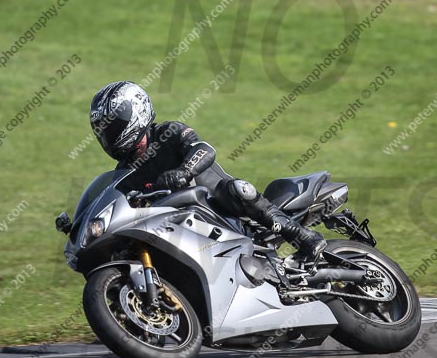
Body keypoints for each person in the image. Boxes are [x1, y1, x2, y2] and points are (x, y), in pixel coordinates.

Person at [89, 81, 326, 263]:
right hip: (183, 228)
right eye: (104, 131)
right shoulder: (123, 173)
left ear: (135, 114)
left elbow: (204, 149)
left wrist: (184, 171)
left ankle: (301, 236)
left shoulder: (168, 133)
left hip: (220, 208)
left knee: (236, 189)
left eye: (114, 127)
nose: (109, 136)